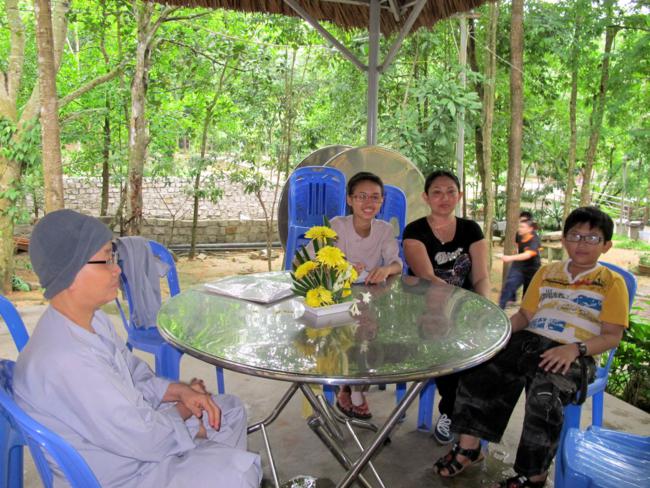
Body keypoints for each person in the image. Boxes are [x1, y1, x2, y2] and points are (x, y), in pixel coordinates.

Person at [13, 209, 262, 488]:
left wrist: (181, 392)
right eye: (106, 259)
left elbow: (134, 376)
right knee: (239, 472)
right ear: (70, 273)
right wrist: (185, 412)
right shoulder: (66, 360)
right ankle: (209, 460)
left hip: (133, 443)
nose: (117, 269)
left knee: (229, 410)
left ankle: (206, 456)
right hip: (122, 473)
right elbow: (145, 439)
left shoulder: (90, 319)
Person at [434, 206, 629, 488]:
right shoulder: (547, 272)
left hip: (576, 352)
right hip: (530, 340)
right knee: (481, 365)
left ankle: (533, 475)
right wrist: (497, 335)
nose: (582, 243)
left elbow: (612, 336)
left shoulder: (612, 282)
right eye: (575, 236)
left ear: (606, 245)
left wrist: (574, 349)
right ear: (564, 240)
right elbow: (525, 316)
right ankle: (469, 448)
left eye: (592, 238)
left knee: (544, 394)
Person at [402, 169, 489, 444]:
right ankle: (451, 412)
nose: (445, 198)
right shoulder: (414, 230)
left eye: (451, 192)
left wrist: (484, 308)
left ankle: (470, 416)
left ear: (459, 196)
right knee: (442, 340)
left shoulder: (471, 229)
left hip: (465, 306)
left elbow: (481, 276)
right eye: (437, 192)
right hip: (426, 306)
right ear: (426, 197)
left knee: (484, 351)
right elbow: (428, 278)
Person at [331, 171, 403, 420]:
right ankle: (349, 387)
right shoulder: (337, 226)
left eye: (375, 197)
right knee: (350, 331)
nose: (368, 202)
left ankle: (353, 387)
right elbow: (319, 262)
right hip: (338, 295)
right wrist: (345, 268)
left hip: (370, 295)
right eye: (361, 196)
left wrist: (386, 269)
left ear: (382, 201)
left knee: (370, 332)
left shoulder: (384, 229)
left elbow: (397, 263)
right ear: (349, 199)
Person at [499, 218, 542, 309]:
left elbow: (528, 254)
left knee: (528, 295)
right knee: (509, 285)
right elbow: (518, 247)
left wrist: (510, 257)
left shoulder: (534, 240)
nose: (519, 229)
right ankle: (501, 307)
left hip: (532, 268)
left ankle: (524, 310)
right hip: (520, 265)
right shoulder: (519, 235)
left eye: (522, 227)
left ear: (530, 229)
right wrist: (516, 256)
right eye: (519, 226)